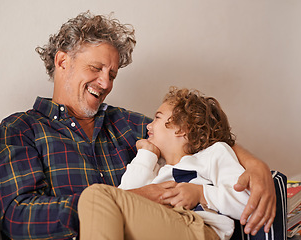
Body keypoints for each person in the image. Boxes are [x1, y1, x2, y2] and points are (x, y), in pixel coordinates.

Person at [0, 11, 275, 239]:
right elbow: (18, 218)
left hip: (173, 228)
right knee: (97, 197)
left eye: (112, 74)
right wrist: (120, 201)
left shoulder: (127, 124)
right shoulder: (20, 129)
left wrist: (255, 165)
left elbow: (198, 138)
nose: (106, 83)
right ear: (63, 62)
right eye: (96, 68)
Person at [77, 87, 249, 240]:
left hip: (198, 227)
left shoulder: (214, 154)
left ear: (182, 128)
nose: (148, 126)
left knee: (96, 195)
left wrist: (200, 193)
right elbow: (123, 197)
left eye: (157, 118)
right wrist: (146, 154)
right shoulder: (156, 167)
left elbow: (245, 203)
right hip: (161, 224)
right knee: (96, 200)